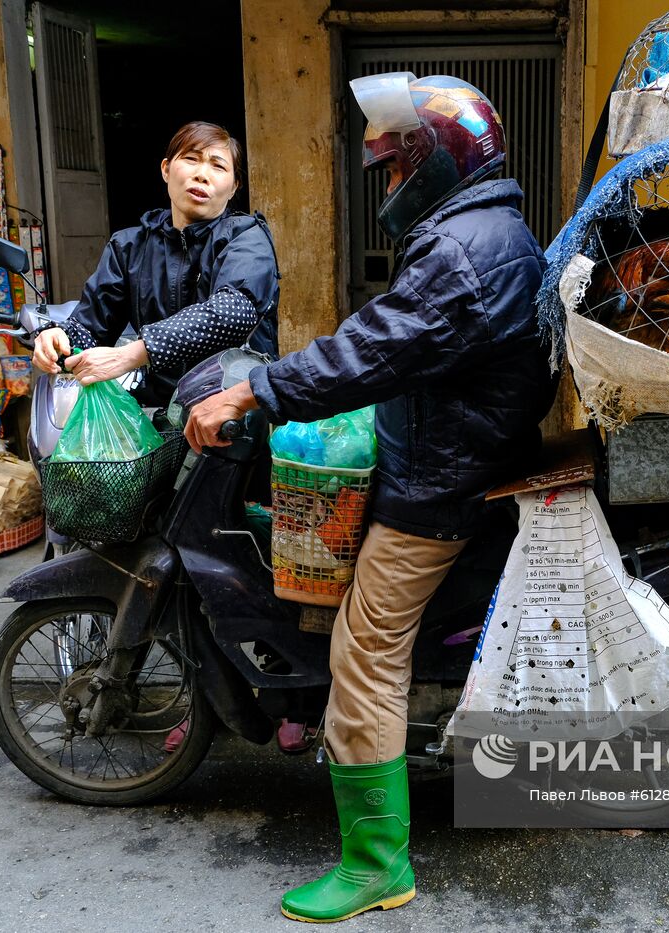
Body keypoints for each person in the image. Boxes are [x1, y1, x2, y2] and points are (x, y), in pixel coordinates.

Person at [185, 73, 558, 922]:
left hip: (439, 483)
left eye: (395, 169)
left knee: (366, 652)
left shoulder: (462, 249)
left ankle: (376, 863)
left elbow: (374, 347)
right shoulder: (480, 230)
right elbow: (389, 340)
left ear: (435, 161)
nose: (390, 186)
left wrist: (255, 392)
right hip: (450, 449)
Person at [31, 121, 280, 405]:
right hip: (159, 415)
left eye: (218, 166)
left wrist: (135, 352)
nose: (202, 175)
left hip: (233, 414)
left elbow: (233, 312)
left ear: (234, 186)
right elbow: (91, 329)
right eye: (191, 159)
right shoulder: (129, 247)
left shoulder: (247, 238)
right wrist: (58, 338)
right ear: (166, 169)